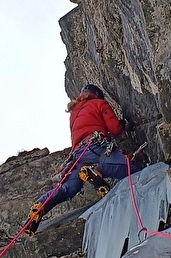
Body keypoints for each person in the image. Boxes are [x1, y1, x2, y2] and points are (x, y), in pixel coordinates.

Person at [27, 84, 134, 233]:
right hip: (95, 147)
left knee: (67, 188)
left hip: (77, 155)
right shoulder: (99, 103)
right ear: (96, 94)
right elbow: (115, 128)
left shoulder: (74, 113)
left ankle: (40, 206)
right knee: (131, 167)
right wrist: (122, 124)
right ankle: (94, 170)